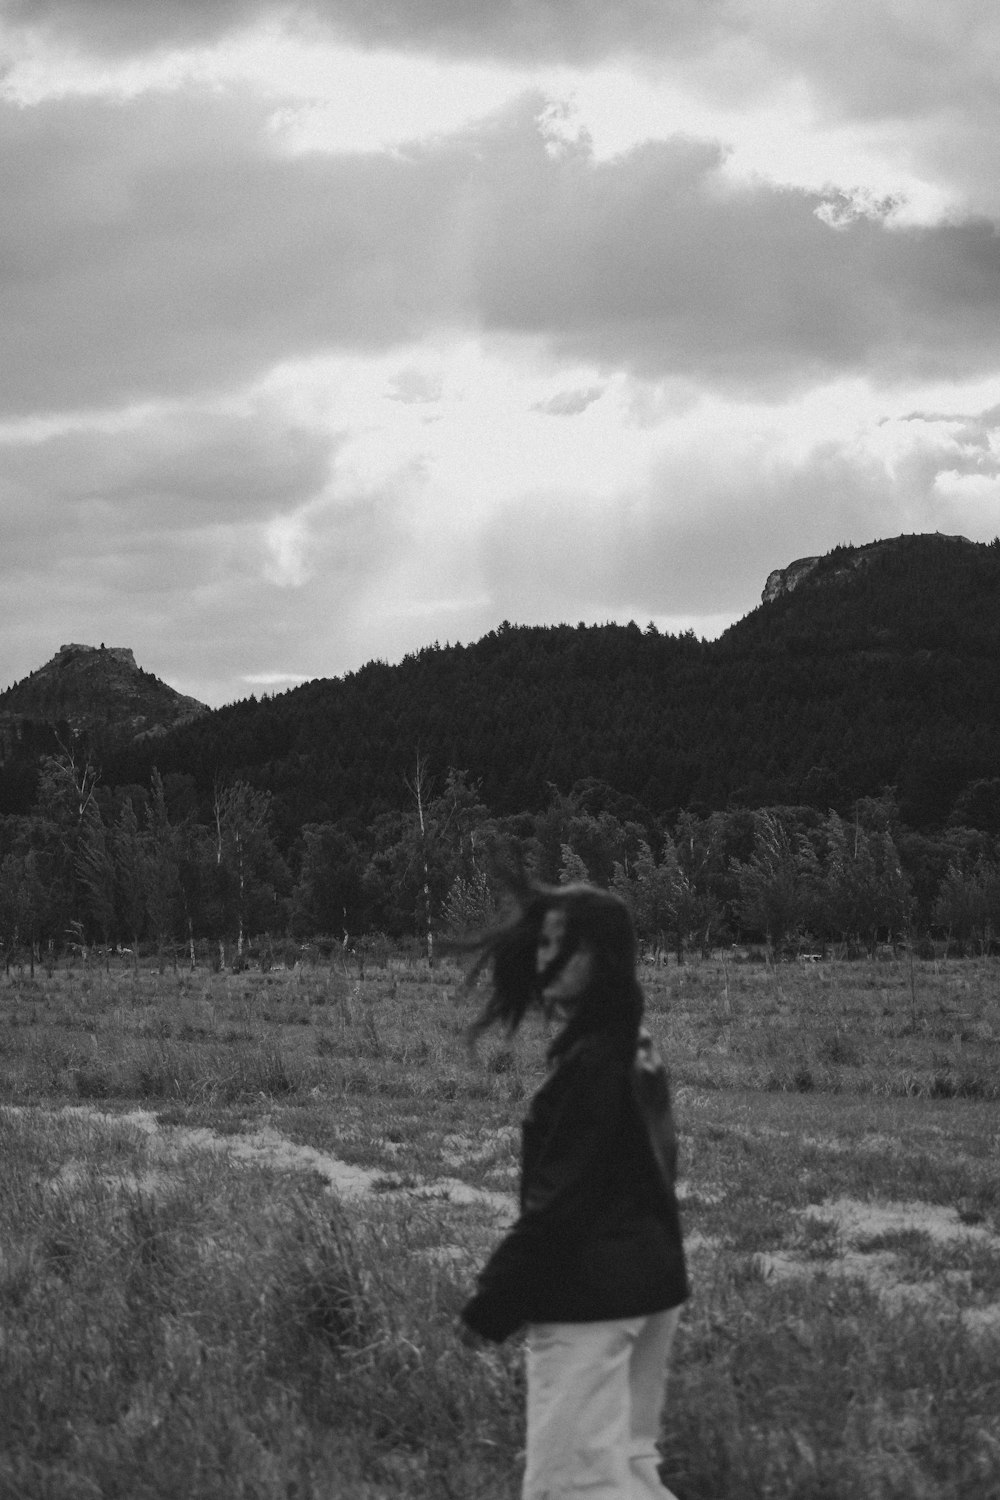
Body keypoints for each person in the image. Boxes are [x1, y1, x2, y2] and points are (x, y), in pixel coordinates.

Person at [459, 880, 689, 1499]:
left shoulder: (593, 1067)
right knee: (632, 1473)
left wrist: (487, 1307)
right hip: (652, 1285)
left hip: (593, 1301)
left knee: (572, 1489)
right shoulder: (635, 1049)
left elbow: (560, 1210)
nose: (544, 959)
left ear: (604, 957)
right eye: (544, 944)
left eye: (566, 946)